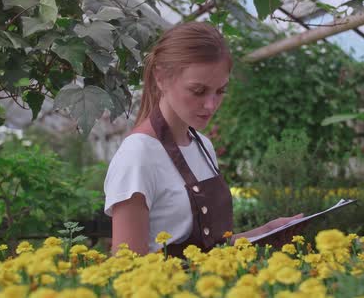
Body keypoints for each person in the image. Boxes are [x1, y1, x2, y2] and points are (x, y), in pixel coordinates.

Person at [104, 22, 302, 256]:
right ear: (161, 77)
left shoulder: (202, 145)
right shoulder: (138, 155)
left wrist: (266, 231)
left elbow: (209, 248)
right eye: (198, 91)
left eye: (220, 91)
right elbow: (126, 268)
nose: (211, 105)